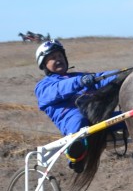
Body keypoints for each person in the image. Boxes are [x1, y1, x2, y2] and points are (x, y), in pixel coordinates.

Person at [34, 39, 124, 172]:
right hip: (73, 120)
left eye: (60, 56)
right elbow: (60, 89)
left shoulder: (80, 76)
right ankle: (75, 155)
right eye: (53, 58)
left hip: (97, 116)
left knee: (128, 115)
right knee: (79, 119)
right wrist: (80, 82)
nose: (58, 59)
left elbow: (101, 78)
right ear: (44, 64)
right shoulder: (43, 86)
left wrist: (121, 74)